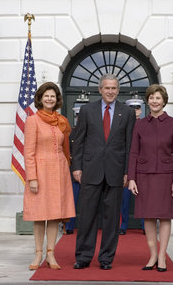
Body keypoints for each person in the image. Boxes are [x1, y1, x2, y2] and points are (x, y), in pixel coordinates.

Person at [71, 74, 136, 270]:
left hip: (116, 173)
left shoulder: (127, 113)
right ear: (100, 90)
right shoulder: (86, 110)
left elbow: (129, 145)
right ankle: (83, 256)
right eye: (106, 88)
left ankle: (106, 258)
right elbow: (79, 141)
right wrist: (77, 167)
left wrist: (127, 172)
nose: (110, 91)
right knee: (86, 217)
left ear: (118, 90)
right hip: (90, 171)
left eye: (114, 88)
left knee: (111, 220)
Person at [127, 84, 173, 272]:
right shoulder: (140, 124)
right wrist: (132, 178)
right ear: (147, 100)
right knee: (148, 217)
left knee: (164, 216)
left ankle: (162, 257)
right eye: (151, 98)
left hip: (167, 177)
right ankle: (152, 255)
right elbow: (133, 152)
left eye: (158, 98)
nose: (154, 101)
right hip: (143, 176)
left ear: (164, 101)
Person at [23, 82, 75, 271]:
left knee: (54, 215)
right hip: (41, 172)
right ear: (40, 98)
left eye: (53, 96)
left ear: (57, 99)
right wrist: (32, 178)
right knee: (39, 215)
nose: (50, 99)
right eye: (46, 96)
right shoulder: (32, 120)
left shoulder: (61, 120)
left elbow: (65, 147)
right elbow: (28, 152)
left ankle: (51, 254)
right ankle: (38, 253)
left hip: (59, 172)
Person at [120, 96, 145, 235]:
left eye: (137, 108)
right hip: (126, 166)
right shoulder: (123, 124)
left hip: (141, 166)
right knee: (124, 199)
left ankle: (144, 225)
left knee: (142, 198)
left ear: (141, 110)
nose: (135, 111)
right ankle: (123, 226)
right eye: (132, 108)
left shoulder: (146, 124)